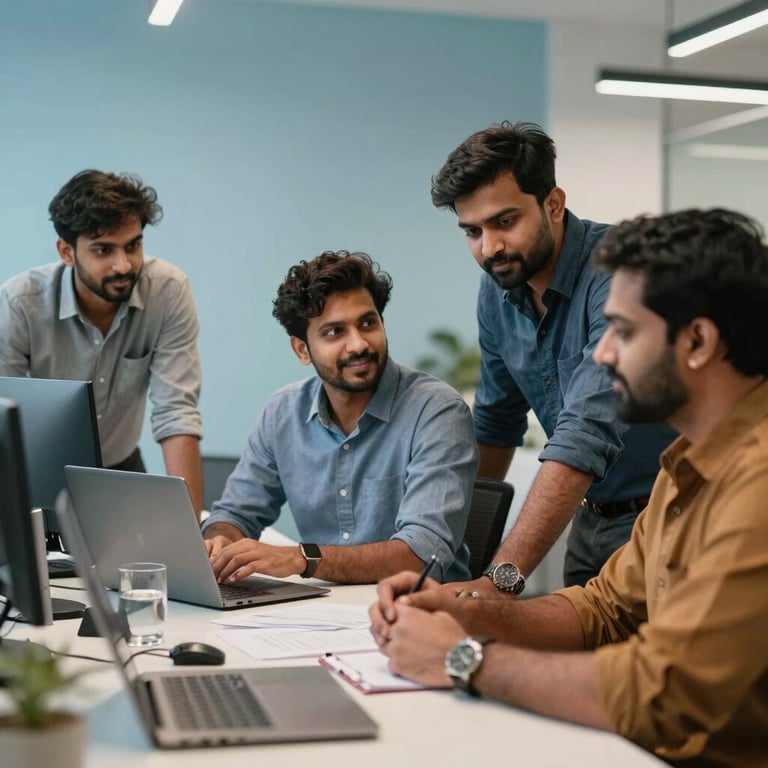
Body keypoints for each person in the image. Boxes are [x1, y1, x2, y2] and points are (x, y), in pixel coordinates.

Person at [370, 208, 768, 767]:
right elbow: (606, 610)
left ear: (698, 341)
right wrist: (471, 607)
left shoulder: (758, 480)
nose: (602, 353)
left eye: (623, 333)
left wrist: (463, 659)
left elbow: (668, 693)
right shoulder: (686, 463)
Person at [430, 121, 676, 589]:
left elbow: (585, 432)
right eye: (472, 232)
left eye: (505, 222)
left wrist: (498, 582)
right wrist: (455, 564)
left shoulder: (620, 271)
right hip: (591, 523)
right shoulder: (497, 290)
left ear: (553, 204)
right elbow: (496, 424)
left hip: (667, 519)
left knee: (635, 664)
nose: (489, 248)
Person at [202, 250, 477, 585]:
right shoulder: (282, 413)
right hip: (323, 615)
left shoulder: (436, 411)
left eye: (367, 323)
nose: (358, 344)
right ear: (302, 349)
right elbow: (235, 514)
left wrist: (302, 559)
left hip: (421, 614)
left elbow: (420, 555)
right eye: (335, 332)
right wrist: (221, 542)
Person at [0, 170, 204, 516]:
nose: (123, 264)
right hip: (40, 472)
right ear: (67, 251)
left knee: (149, 564)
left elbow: (177, 413)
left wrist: (194, 531)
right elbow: (2, 419)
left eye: (133, 246)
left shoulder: (168, 291)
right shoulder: (20, 303)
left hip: (123, 467)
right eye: (103, 250)